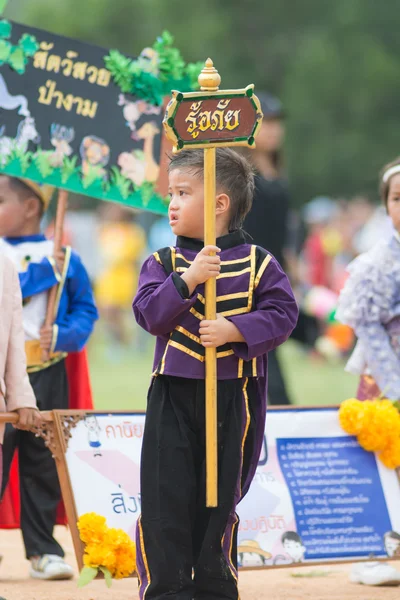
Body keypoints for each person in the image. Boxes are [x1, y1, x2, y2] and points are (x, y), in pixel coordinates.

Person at [133, 148, 298, 600]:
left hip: (234, 396)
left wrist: (234, 329)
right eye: (171, 193)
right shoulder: (163, 263)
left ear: (220, 205)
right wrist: (187, 280)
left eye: (183, 193)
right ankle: (167, 590)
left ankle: (214, 585)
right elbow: (148, 314)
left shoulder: (259, 263)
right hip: (172, 394)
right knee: (165, 498)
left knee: (220, 498)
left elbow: (284, 314)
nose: (171, 203)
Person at [0, 176, 98, 580]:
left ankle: (42, 550)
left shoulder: (64, 256)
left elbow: (85, 311)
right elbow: (10, 292)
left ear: (30, 208)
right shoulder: (25, 260)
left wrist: (61, 335)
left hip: (47, 370)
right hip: (6, 375)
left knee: (43, 461)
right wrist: (42, 275)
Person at [336, 158, 400, 587]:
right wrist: (395, 384)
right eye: (398, 198)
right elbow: (367, 325)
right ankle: (391, 549)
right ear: (386, 205)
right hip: (389, 372)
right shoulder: (377, 262)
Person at [242, 92, 293, 405]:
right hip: (248, 274)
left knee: (272, 352)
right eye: (265, 124)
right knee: (263, 358)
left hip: (275, 273)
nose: (273, 131)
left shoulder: (279, 174)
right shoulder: (239, 175)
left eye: (277, 124)